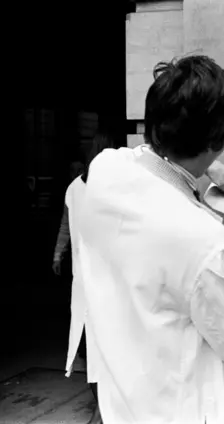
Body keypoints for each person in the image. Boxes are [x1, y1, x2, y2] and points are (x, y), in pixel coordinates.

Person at [76, 55, 224, 424]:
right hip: (180, 408)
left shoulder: (104, 171)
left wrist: (203, 168)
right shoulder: (205, 242)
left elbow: (139, 157)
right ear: (215, 143)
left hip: (122, 401)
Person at [52, 131, 115, 423]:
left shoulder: (74, 188)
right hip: (112, 283)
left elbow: (65, 226)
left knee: (93, 348)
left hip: (87, 284)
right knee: (109, 347)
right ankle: (104, 407)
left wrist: (57, 254)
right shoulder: (116, 187)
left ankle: (103, 406)